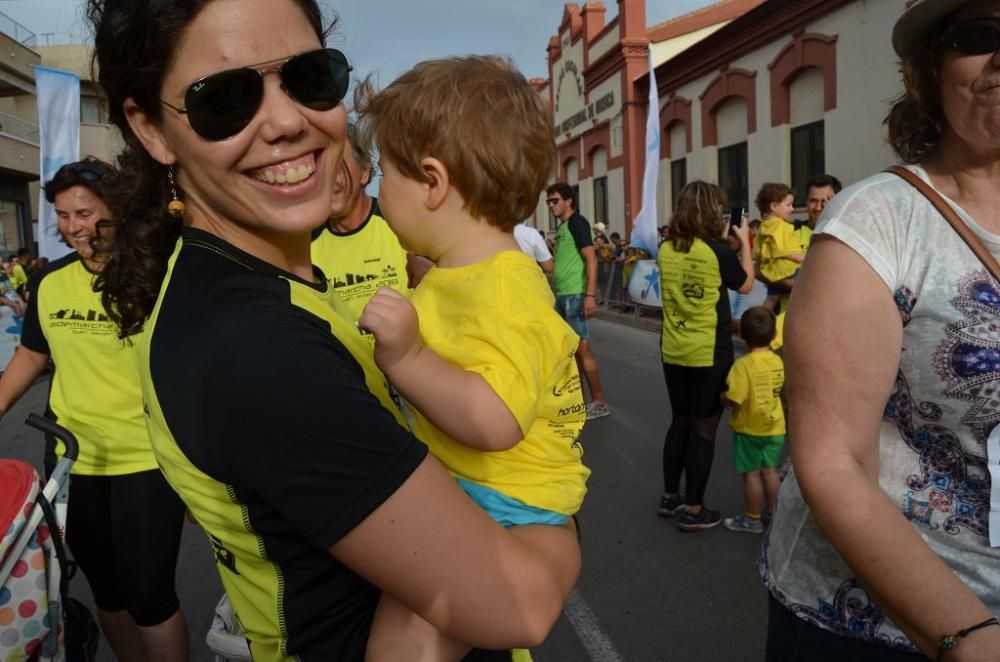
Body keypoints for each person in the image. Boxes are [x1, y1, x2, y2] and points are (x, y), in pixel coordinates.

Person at [86, 1, 581, 660]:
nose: (287, 120)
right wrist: (559, 516)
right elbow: (518, 605)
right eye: (226, 97)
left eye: (308, 77)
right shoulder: (257, 349)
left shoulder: (242, 288)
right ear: (151, 129)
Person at [762, 1, 1000, 660]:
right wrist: (967, 635)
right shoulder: (877, 221)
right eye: (982, 35)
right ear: (930, 74)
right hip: (880, 625)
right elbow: (833, 461)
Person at [356, 54, 590, 661]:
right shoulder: (466, 274)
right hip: (483, 498)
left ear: (432, 182)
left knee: (400, 642)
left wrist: (406, 358)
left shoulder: (505, 287)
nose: (377, 187)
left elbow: (495, 421)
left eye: (385, 170)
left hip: (507, 505)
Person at [0, 157, 189, 661]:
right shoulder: (49, 282)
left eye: (84, 213)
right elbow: (32, 354)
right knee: (108, 592)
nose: (73, 227)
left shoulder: (156, 274)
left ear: (117, 209)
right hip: (72, 462)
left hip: (147, 459)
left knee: (149, 595)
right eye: (63, 216)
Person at [656, 181, 754, 531]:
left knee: (679, 419)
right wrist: (745, 242)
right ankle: (695, 508)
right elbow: (745, 284)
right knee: (704, 426)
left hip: (673, 348)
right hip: (709, 351)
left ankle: (670, 496)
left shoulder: (666, 248)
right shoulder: (720, 252)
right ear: (713, 211)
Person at [311, 121, 411, 321]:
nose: (329, 180)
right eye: (319, 169)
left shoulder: (403, 226)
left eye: (338, 167)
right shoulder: (302, 247)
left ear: (364, 172)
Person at [546, 182, 610, 419]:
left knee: (583, 349)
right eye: (549, 202)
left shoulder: (577, 223)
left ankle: (600, 402)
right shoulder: (563, 228)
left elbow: (591, 259)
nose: (551, 205)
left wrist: (590, 295)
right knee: (572, 352)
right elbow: (556, 265)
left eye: (555, 200)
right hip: (563, 296)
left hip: (575, 295)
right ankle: (580, 402)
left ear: (568, 200)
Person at [721, 306, 784, 534]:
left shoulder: (742, 366)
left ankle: (752, 519)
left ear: (741, 335)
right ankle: (774, 514)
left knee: (752, 474)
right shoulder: (777, 361)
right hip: (775, 427)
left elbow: (735, 399)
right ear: (774, 335)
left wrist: (722, 398)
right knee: (770, 471)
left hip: (750, 429)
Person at [753, 183, 802, 312]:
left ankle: (760, 322)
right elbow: (780, 249)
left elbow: (758, 251)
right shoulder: (780, 225)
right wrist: (800, 258)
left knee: (771, 299)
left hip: (771, 271)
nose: (791, 209)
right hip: (787, 268)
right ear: (774, 206)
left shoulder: (763, 226)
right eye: (788, 205)